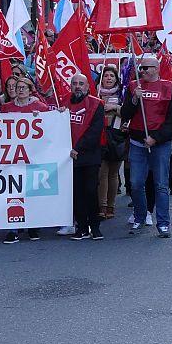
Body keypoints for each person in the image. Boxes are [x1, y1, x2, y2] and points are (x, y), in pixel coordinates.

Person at [120, 55, 172, 237]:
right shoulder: (133, 86)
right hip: (137, 142)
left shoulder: (170, 88)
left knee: (161, 184)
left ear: (156, 68)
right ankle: (140, 216)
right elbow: (125, 113)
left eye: (146, 68)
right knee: (136, 183)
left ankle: (163, 223)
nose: (143, 71)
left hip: (159, 144)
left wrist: (156, 138)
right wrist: (133, 100)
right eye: (141, 68)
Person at [1, 77, 49, 243]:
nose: (19, 90)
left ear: (30, 90)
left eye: (23, 87)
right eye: (17, 87)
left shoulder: (41, 108)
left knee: (32, 193)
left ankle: (33, 226)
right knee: (13, 193)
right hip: (13, 157)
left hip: (33, 158)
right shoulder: (6, 108)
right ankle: (12, 229)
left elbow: (50, 129)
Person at [67, 74, 105, 240]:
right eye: (74, 83)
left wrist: (78, 148)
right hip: (69, 157)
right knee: (77, 193)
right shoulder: (63, 104)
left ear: (88, 87)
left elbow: (95, 131)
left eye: (81, 84)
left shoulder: (96, 104)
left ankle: (95, 226)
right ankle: (81, 227)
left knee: (90, 191)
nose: (77, 86)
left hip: (89, 155)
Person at [97, 66, 125, 219]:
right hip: (99, 137)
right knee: (102, 173)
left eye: (111, 76)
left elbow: (128, 112)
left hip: (116, 137)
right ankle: (101, 205)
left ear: (116, 79)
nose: (108, 78)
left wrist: (115, 107)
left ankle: (111, 206)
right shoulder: (94, 92)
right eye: (106, 75)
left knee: (113, 174)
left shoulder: (122, 94)